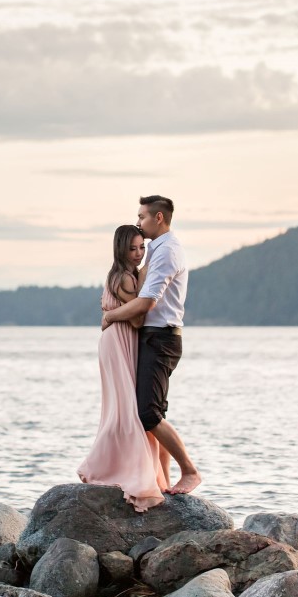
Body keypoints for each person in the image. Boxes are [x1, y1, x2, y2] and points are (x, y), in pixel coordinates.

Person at [102, 195, 201, 495]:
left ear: (159, 218)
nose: (139, 222)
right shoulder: (155, 252)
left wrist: (110, 315)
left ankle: (190, 471)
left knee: (148, 414)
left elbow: (146, 303)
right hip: (154, 337)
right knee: (154, 413)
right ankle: (164, 481)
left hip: (161, 337)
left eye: (142, 217)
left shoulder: (166, 252)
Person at [78, 225, 168, 512]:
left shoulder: (119, 275)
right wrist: (143, 278)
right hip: (120, 343)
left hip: (118, 341)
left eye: (142, 247)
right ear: (121, 249)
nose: (139, 253)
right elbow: (139, 320)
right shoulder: (125, 278)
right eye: (133, 248)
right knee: (126, 408)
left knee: (124, 407)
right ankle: (118, 468)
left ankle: (144, 472)